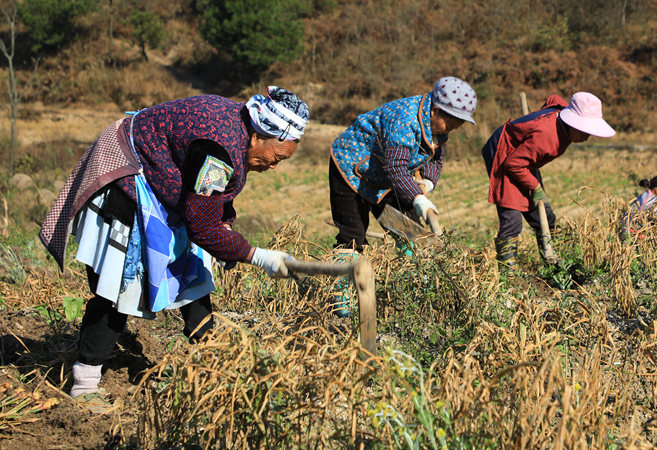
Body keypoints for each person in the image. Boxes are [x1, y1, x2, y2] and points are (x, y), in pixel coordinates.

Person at [39, 89, 309, 413]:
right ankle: (84, 386)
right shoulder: (218, 148)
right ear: (260, 135)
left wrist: (226, 234)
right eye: (277, 157)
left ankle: (213, 372)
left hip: (162, 189)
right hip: (128, 178)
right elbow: (202, 225)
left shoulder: (235, 131)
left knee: (193, 276)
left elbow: (208, 206)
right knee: (117, 292)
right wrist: (255, 255)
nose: (274, 166)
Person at [327, 77, 477, 316]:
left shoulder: (437, 125)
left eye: (457, 126)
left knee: (409, 232)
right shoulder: (405, 118)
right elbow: (396, 167)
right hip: (350, 168)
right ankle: (342, 307)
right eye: (450, 123)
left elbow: (435, 156)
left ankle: (416, 295)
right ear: (436, 109)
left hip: (384, 176)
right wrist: (418, 199)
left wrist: (426, 182)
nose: (451, 129)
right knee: (352, 238)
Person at [483, 92, 615, 269]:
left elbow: (553, 99)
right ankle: (508, 271)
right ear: (572, 123)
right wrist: (534, 185)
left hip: (525, 158)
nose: (587, 137)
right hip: (504, 152)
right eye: (584, 131)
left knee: (544, 213)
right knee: (512, 216)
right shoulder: (547, 139)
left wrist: (530, 128)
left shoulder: (561, 110)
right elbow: (513, 164)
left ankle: (552, 261)